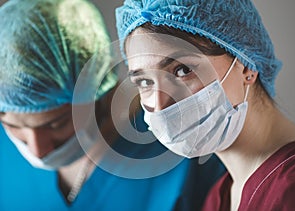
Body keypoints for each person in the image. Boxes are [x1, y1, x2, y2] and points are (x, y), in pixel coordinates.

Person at [0, 0, 225, 210]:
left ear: (97, 89)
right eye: (13, 126)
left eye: (56, 124)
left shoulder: (183, 149)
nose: (38, 150)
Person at [115, 0, 295, 210]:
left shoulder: (292, 190)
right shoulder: (220, 195)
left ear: (246, 65)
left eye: (182, 70)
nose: (159, 105)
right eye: (145, 82)